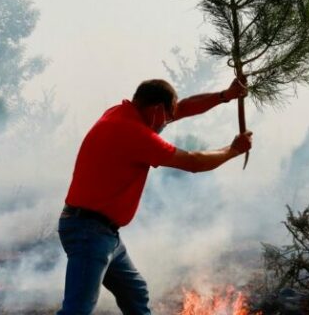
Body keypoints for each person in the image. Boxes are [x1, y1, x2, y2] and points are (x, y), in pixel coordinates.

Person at [57, 78, 253, 315]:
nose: (167, 123)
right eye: (167, 118)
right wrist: (232, 151)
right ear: (157, 110)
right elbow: (193, 162)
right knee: (76, 311)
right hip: (89, 232)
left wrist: (225, 95)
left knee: (135, 292)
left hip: (102, 232)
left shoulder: (121, 113)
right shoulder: (136, 135)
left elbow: (183, 108)